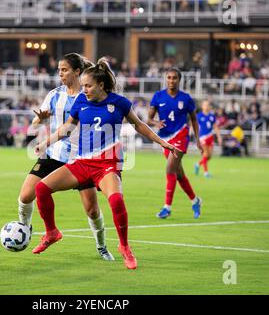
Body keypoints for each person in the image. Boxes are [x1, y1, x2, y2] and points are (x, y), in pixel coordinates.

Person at [32, 58, 178, 269]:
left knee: (116, 200)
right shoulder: (81, 100)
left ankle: (124, 247)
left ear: (101, 85)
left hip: (107, 163)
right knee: (41, 189)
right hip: (81, 163)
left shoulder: (119, 103)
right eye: (83, 86)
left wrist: (163, 143)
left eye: (88, 86)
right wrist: (46, 143)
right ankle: (52, 232)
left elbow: (140, 126)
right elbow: (67, 128)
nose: (85, 90)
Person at [17, 53, 115, 261]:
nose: (60, 73)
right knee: (26, 195)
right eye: (59, 70)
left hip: (80, 159)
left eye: (64, 70)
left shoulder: (89, 95)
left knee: (91, 209)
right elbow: (35, 123)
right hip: (53, 155)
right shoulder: (54, 95)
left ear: (77, 72)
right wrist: (40, 120)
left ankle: (102, 246)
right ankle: (24, 230)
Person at [147, 68, 203, 219]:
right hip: (165, 139)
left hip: (181, 137)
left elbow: (194, 120)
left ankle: (167, 207)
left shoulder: (186, 98)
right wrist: (156, 122)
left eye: (174, 78)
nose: (171, 80)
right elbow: (148, 119)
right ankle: (195, 200)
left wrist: (197, 139)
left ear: (179, 80)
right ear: (166, 79)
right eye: (169, 77)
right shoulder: (158, 96)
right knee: (179, 175)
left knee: (170, 169)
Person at [194, 100, 223, 178]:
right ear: (202, 106)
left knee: (209, 157)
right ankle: (206, 173)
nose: (207, 106)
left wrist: (219, 137)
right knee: (205, 154)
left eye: (208, 105)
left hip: (210, 137)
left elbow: (215, 127)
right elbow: (194, 126)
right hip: (202, 137)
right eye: (205, 105)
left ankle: (197, 164)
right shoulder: (199, 116)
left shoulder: (212, 116)